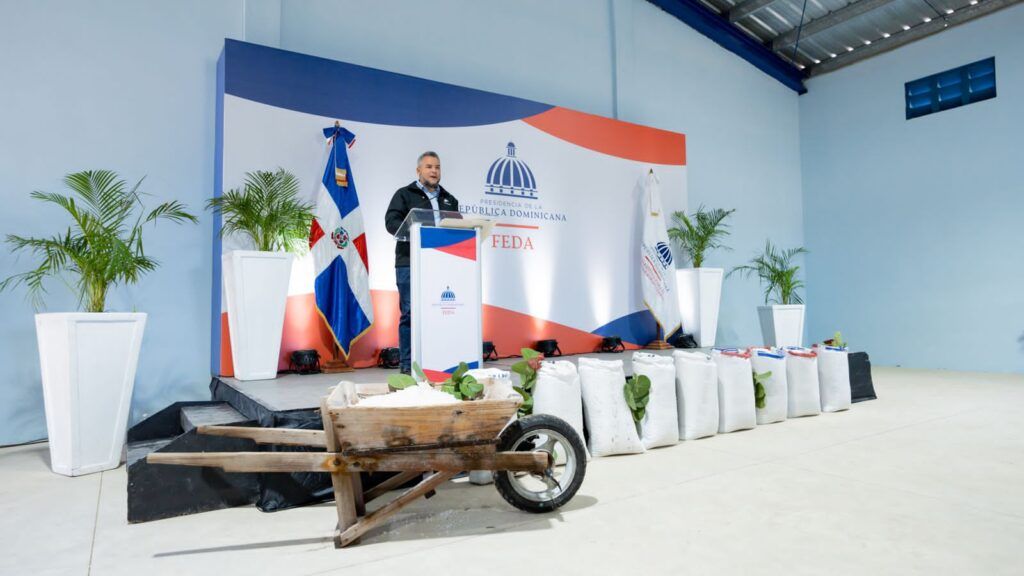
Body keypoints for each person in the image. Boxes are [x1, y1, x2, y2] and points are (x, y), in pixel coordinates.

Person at [384, 151, 460, 374]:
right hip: (409, 262)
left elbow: (455, 229)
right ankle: (407, 366)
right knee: (410, 313)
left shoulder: (450, 199)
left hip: (439, 263)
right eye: (429, 167)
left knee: (439, 312)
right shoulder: (404, 194)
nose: (434, 171)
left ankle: (436, 361)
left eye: (437, 167)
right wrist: (416, 232)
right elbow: (391, 222)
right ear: (419, 170)